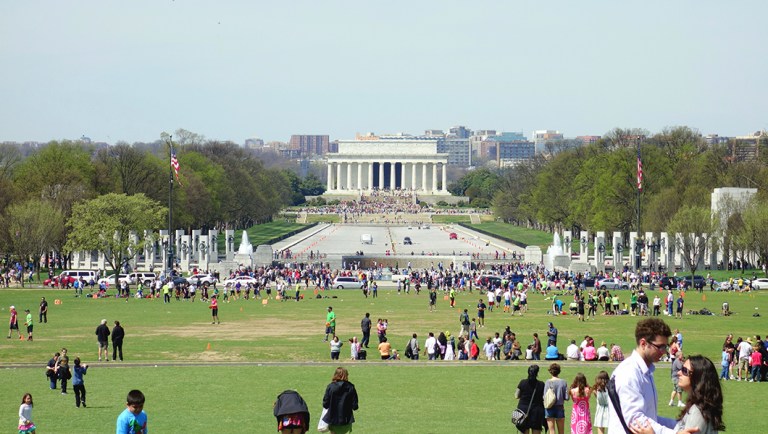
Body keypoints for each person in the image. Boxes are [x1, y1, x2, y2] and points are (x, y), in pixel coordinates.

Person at [609, 318, 698, 434]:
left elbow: (651, 418)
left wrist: (679, 425)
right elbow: (637, 422)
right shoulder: (629, 373)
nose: (664, 352)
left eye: (665, 347)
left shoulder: (644, 371)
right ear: (643, 344)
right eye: (660, 347)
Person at [631, 355, 725, 434]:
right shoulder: (700, 407)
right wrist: (648, 419)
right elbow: (678, 425)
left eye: (684, 370)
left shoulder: (697, 411)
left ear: (697, 378)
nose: (679, 373)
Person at [321, 367, 358, 434]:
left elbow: (325, 404)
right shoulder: (351, 387)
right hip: (346, 419)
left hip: (333, 419)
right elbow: (355, 406)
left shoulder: (330, 387)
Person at [514, 364, 546, 434]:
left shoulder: (522, 382)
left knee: (524, 430)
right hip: (537, 411)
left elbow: (516, 395)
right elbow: (544, 397)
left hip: (523, 411)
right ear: (537, 373)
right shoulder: (541, 384)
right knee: (536, 430)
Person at [543, 363, 569, 434]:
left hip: (549, 407)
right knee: (561, 432)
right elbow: (567, 397)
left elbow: (544, 396)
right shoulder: (563, 382)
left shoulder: (548, 382)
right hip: (560, 407)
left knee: (551, 431)